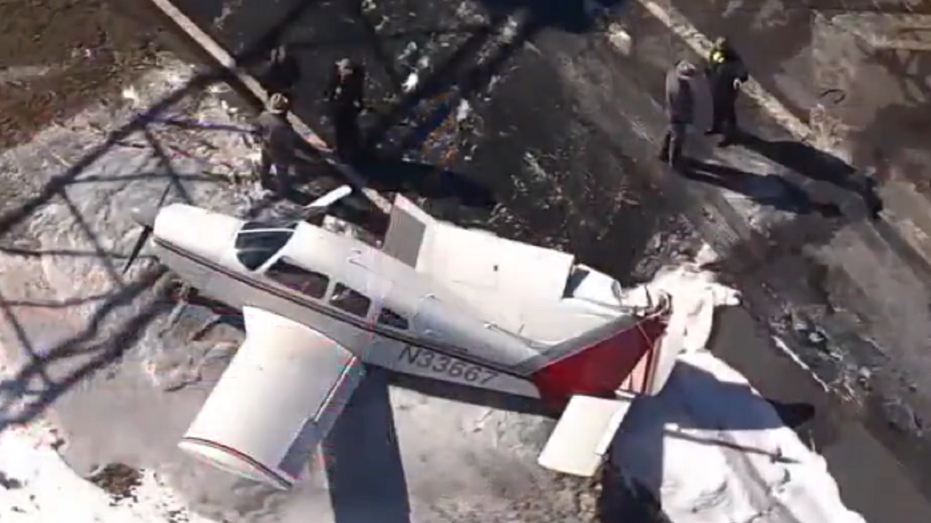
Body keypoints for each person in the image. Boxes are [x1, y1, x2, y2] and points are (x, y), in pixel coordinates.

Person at [253, 93, 301, 198]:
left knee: (265, 165)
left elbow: (256, 130)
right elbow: (288, 142)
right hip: (280, 152)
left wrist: (258, 139)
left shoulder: (263, 115)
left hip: (266, 146)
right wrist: (291, 153)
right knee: (282, 172)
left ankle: (264, 181)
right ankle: (283, 192)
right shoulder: (283, 126)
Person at [705, 37, 749, 147]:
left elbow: (742, 72)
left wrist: (739, 78)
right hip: (716, 86)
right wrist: (709, 74)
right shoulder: (715, 52)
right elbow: (711, 65)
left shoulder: (734, 58)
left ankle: (729, 136)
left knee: (729, 114)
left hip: (728, 90)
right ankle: (716, 127)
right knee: (717, 108)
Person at [324, 58, 366, 163]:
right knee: (340, 131)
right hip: (339, 109)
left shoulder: (353, 82)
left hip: (347, 110)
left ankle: (350, 152)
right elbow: (331, 89)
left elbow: (354, 95)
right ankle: (341, 150)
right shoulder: (336, 77)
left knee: (348, 131)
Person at [660, 60, 698, 168]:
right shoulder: (682, 90)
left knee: (669, 132)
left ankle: (663, 153)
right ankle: (674, 161)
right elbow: (685, 107)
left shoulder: (671, 76)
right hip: (678, 117)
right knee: (677, 139)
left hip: (670, 111)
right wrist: (689, 121)